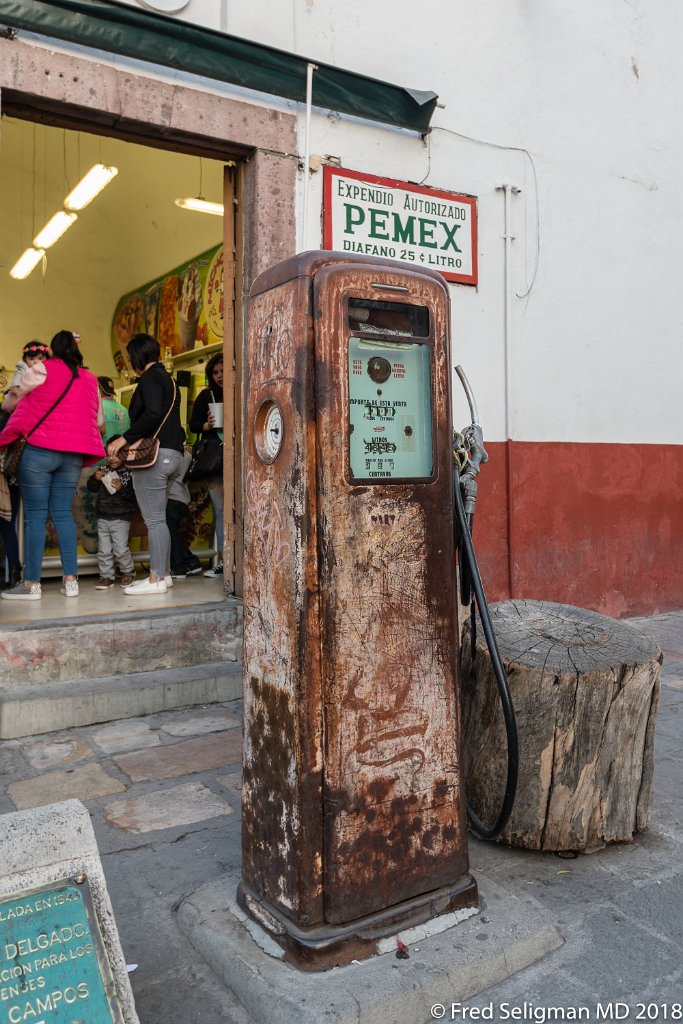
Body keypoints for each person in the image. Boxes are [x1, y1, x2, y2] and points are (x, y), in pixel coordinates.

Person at [0, 330, 105, 601]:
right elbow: (100, 422)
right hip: (72, 455)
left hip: (39, 452)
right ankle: (71, 581)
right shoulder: (91, 379)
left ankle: (32, 584)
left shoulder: (42, 369)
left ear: (53, 351)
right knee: (62, 514)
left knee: (35, 515)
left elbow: (13, 399)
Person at [107, 333, 185, 596]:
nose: (129, 362)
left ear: (139, 355)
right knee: (159, 519)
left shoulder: (151, 378)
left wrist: (124, 439)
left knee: (154, 520)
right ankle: (164, 574)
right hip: (173, 454)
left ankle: (155, 579)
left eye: (130, 357)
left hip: (156, 456)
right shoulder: (168, 379)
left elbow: (152, 413)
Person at [188, 352, 224, 578]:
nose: (220, 376)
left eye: (222, 371)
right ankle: (224, 560)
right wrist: (207, 425)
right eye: (215, 372)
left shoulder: (242, 388)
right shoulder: (206, 396)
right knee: (220, 510)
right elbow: (192, 425)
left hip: (240, 456)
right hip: (215, 460)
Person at [86, 437, 137, 589]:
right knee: (104, 550)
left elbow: (133, 497)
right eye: (108, 454)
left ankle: (128, 571)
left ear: (124, 454)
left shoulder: (130, 473)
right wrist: (94, 479)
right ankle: (106, 576)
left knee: (120, 548)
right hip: (103, 516)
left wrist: (122, 488)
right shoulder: (103, 470)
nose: (111, 458)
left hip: (121, 518)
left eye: (115, 454)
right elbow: (91, 488)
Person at [166, 450, 203, 579]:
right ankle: (190, 562)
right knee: (173, 533)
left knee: (171, 534)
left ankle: (180, 566)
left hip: (172, 496)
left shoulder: (170, 454)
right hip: (182, 497)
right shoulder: (186, 455)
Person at [1, 340, 51, 415]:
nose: (36, 361)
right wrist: (14, 386)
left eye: (40, 358)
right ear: (25, 360)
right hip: (17, 402)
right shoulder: (24, 367)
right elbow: (18, 375)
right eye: (31, 359)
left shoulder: (47, 369)